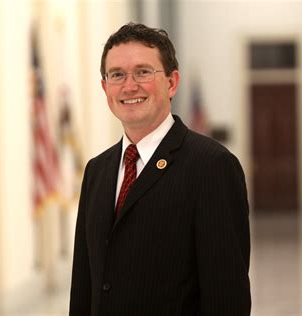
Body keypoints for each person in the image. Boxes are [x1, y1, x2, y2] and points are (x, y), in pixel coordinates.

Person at [70, 22, 251, 315]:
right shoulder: (96, 171)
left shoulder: (212, 167)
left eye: (143, 72)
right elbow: (83, 287)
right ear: (105, 87)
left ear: (172, 82)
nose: (129, 86)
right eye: (117, 75)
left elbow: (227, 296)